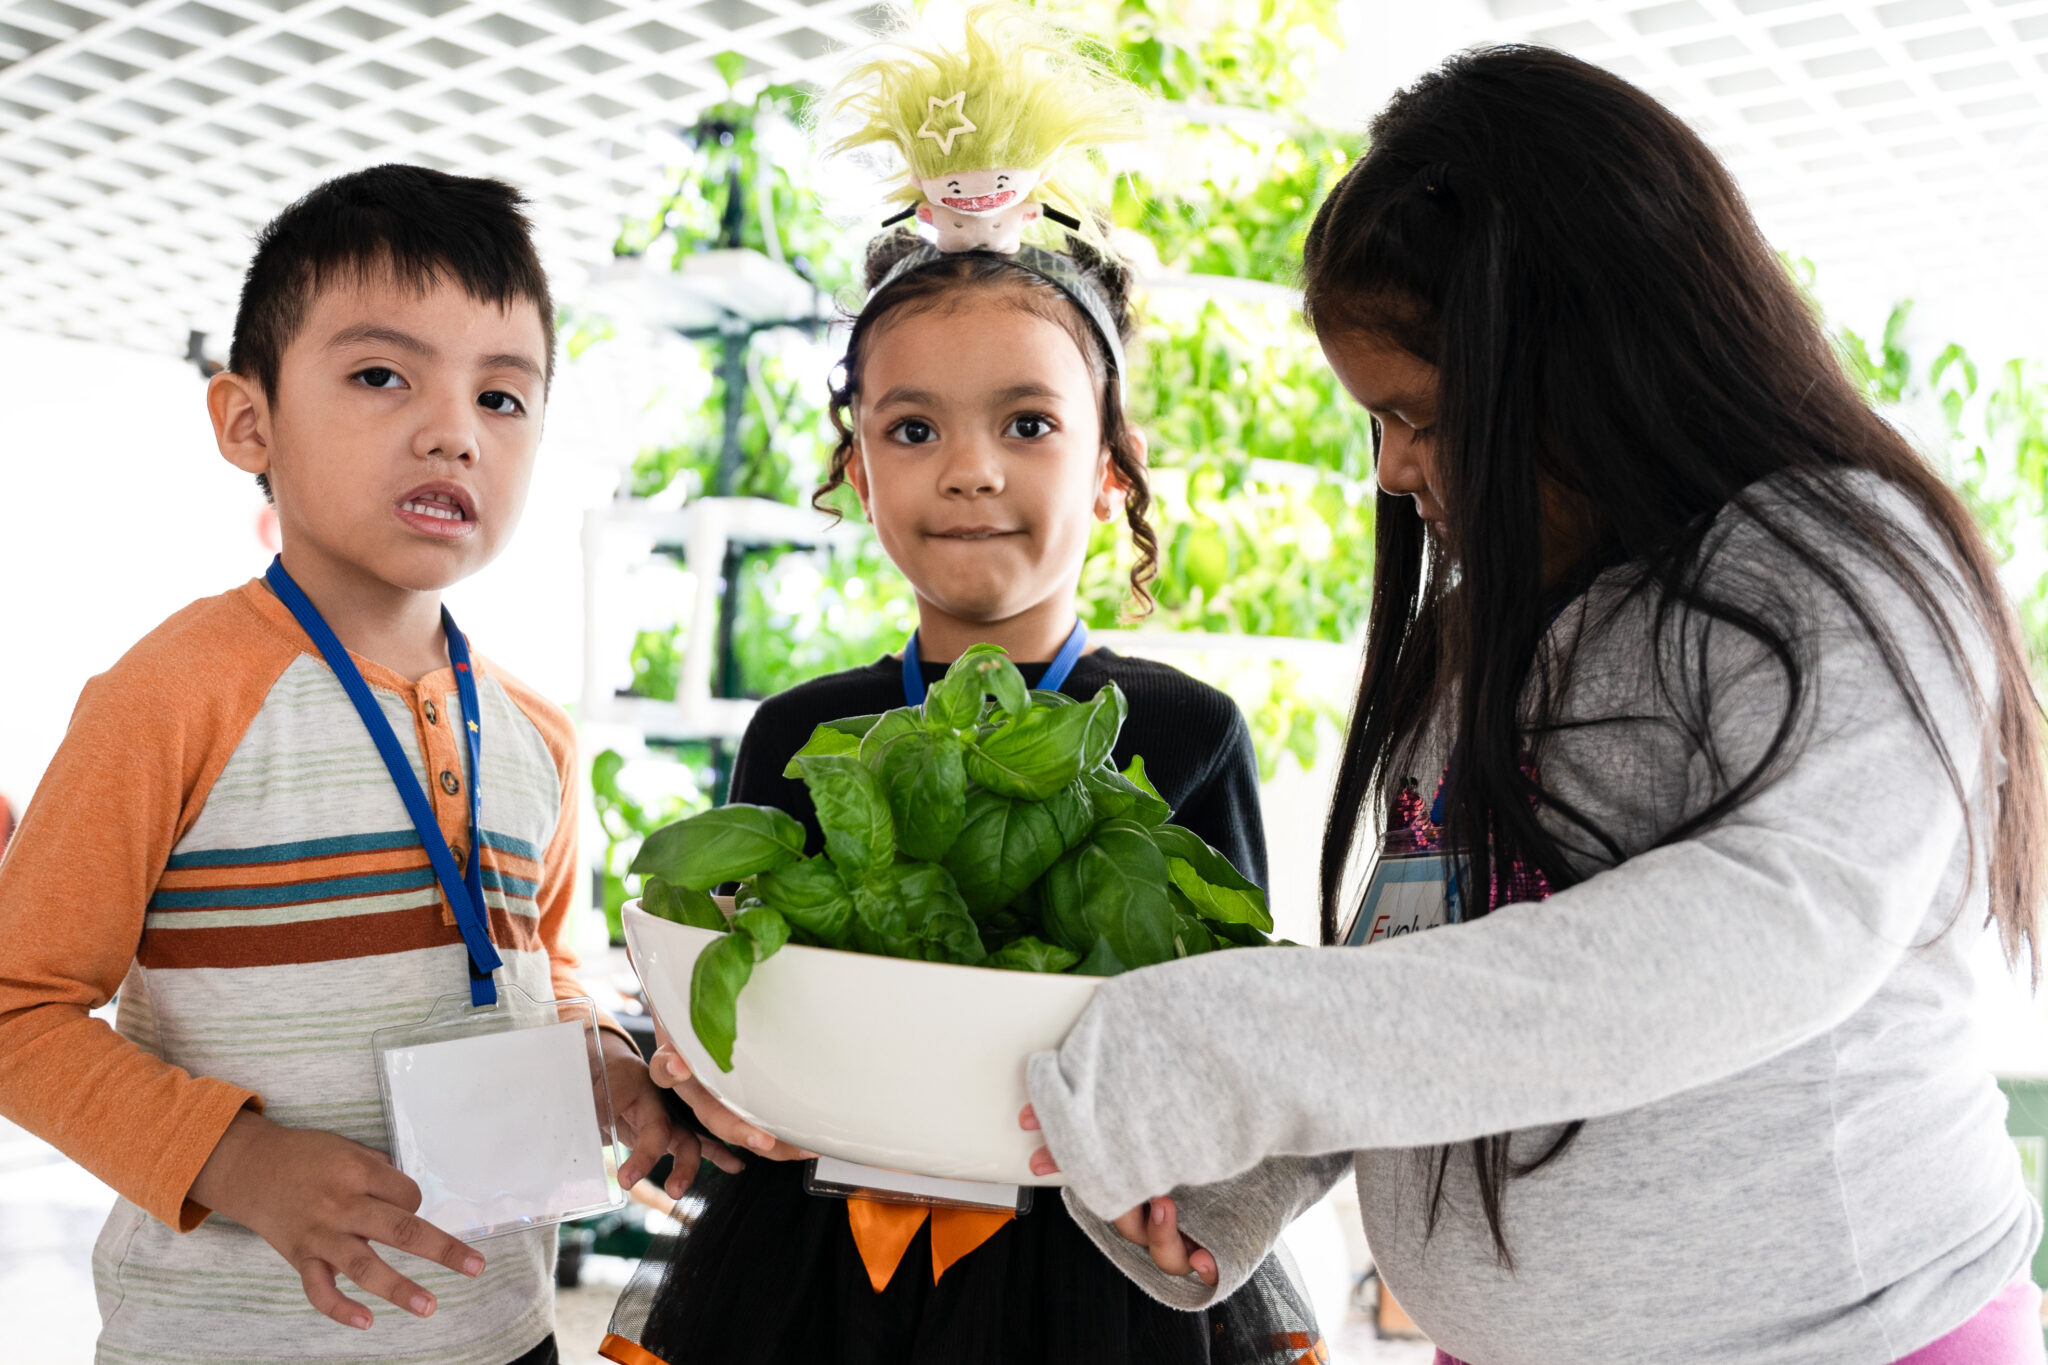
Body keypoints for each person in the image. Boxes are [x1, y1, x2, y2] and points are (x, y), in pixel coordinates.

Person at [1018, 45, 2048, 1365]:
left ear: (1587, 362)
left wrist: (1244, 1047)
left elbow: (1776, 925)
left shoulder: (1833, 568)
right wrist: (1257, 1165)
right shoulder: (1480, 632)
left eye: (1423, 416)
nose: (1390, 470)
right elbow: (1427, 972)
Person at [0, 165, 694, 1365]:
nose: (451, 431)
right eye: (382, 375)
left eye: (502, 397)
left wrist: (605, 1060)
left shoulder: (536, 736)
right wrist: (236, 1161)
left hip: (503, 1336)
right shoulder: (171, 697)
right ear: (247, 422)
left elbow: (543, 969)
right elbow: (16, 1011)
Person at [604, 228, 1320, 1365]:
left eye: (1027, 425)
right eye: (912, 428)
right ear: (856, 468)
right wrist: (697, 1077)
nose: (968, 467)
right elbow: (735, 1000)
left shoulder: (1187, 730)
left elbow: (1230, 1042)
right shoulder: (798, 733)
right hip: (815, 1264)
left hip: (1094, 1276)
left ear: (1110, 469)